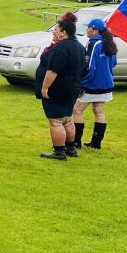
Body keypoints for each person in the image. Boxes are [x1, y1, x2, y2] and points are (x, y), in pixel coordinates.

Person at [35, 15, 86, 160]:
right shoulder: (79, 47)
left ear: (64, 32)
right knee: (67, 119)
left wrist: (45, 88)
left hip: (58, 89)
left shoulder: (60, 48)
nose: (53, 32)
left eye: (56, 30)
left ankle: (59, 152)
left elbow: (52, 70)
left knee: (56, 121)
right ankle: (71, 148)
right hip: (72, 88)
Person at [74, 17, 118, 149]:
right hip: (106, 83)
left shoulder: (94, 44)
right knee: (98, 110)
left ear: (95, 30)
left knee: (76, 110)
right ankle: (96, 142)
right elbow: (114, 63)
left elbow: (89, 66)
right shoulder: (109, 42)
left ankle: (76, 142)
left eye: (88, 27)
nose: (87, 30)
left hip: (92, 84)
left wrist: (81, 83)